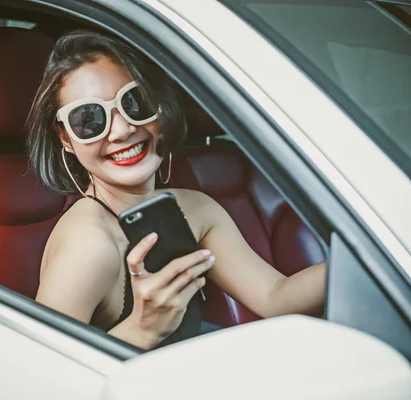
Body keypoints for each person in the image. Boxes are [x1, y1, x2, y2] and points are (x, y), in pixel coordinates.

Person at [26, 30, 325, 350]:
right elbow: (45, 376)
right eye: (89, 119)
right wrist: (142, 329)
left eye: (135, 101)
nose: (123, 129)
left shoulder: (197, 209)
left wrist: (365, 252)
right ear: (66, 140)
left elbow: (275, 297)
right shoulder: (89, 246)